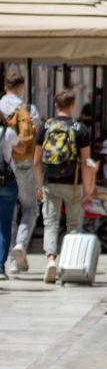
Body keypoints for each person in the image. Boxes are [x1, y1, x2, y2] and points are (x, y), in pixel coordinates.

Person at [34, 90, 93, 285]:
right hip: (73, 184)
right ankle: (70, 262)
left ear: (56, 105)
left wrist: (39, 185)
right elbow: (86, 162)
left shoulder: (46, 126)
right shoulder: (80, 129)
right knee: (73, 224)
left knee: (51, 223)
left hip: (50, 182)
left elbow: (36, 161)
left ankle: (51, 259)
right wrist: (87, 189)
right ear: (72, 105)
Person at [1, 71, 41, 275]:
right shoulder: (29, 109)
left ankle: (6, 258)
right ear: (22, 86)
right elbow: (38, 138)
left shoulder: (0, 106)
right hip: (24, 164)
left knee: (8, 213)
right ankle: (20, 248)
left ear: (5, 85)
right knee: (30, 208)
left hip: (3, 167)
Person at [0, 111, 20, 281]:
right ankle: (0, 267)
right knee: (5, 226)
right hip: (6, 182)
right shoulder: (9, 132)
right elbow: (21, 148)